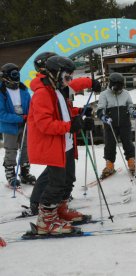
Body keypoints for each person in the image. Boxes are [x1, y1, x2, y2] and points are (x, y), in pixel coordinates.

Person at [27, 52, 101, 216]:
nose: (69, 82)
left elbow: (63, 113)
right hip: (55, 144)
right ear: (54, 73)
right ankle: (46, 219)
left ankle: (61, 210)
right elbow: (45, 124)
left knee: (68, 180)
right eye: (67, 78)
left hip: (65, 143)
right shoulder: (43, 93)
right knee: (55, 182)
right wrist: (70, 126)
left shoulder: (57, 90)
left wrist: (79, 114)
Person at [0, 63, 36, 187]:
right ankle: (11, 175)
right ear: (5, 77)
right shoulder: (2, 93)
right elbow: (1, 113)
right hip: (10, 127)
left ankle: (25, 173)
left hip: (25, 125)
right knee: (11, 150)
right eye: (13, 74)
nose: (16, 77)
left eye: (17, 74)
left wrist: (30, 117)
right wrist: (18, 118)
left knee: (26, 148)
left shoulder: (23, 90)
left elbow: (31, 107)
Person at [97, 72, 136, 179]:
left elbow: (130, 104)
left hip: (125, 123)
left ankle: (131, 161)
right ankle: (109, 165)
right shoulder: (104, 94)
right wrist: (103, 117)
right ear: (111, 84)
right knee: (109, 144)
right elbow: (100, 109)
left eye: (121, 87)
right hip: (110, 124)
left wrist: (132, 110)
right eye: (117, 87)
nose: (119, 89)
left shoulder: (125, 93)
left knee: (128, 142)